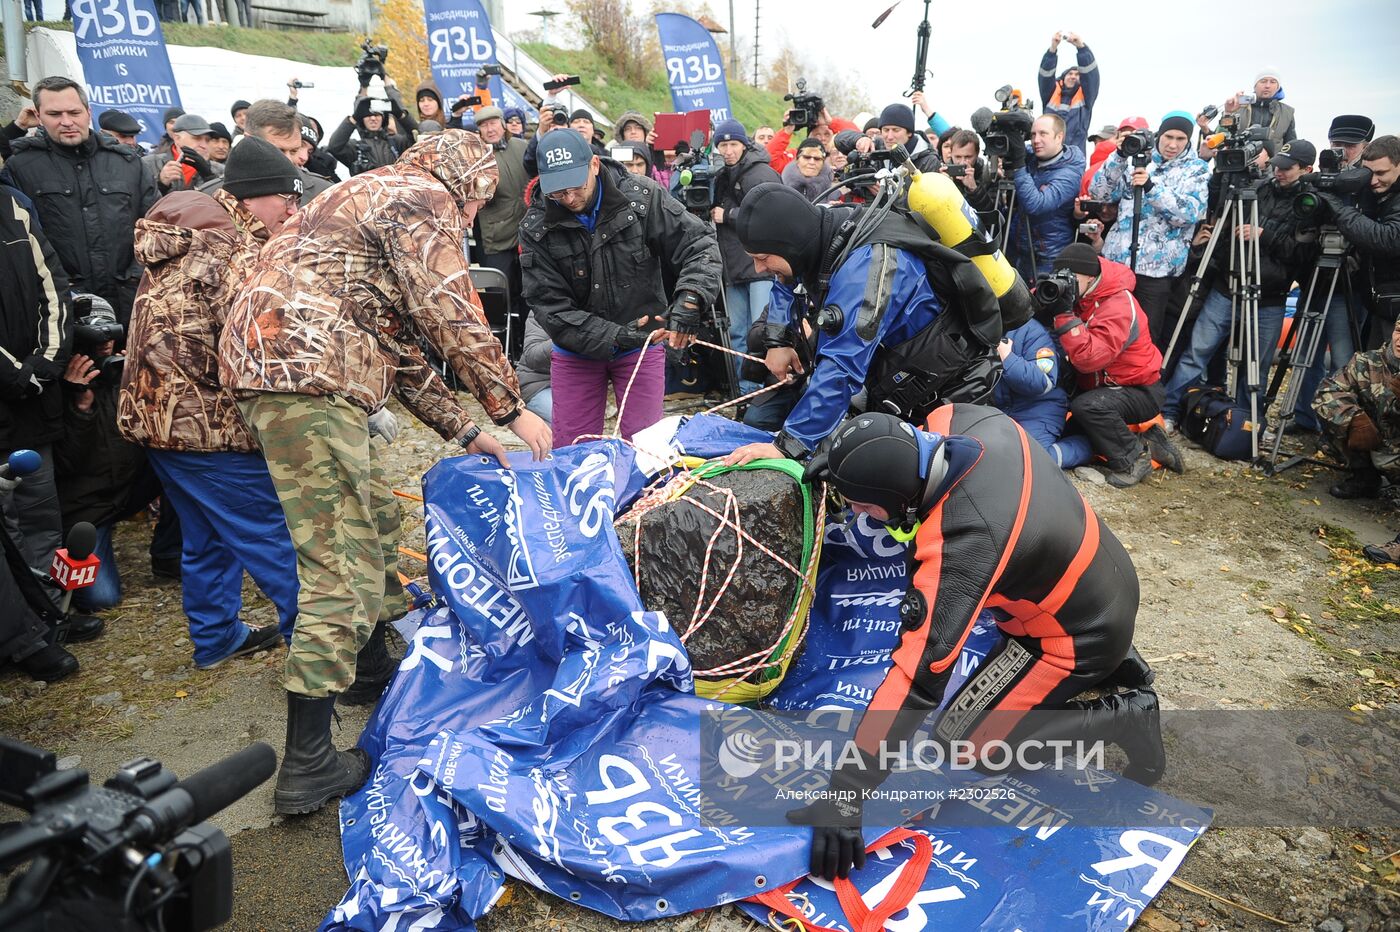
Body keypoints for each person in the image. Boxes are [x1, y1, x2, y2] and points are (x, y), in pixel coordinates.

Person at [219, 132, 550, 815]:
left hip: (291, 372)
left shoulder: (360, 198)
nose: (467, 224)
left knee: (371, 511)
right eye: (476, 207)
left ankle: (370, 666)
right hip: (307, 378)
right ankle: (308, 762)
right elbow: (451, 308)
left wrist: (467, 430)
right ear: (465, 184)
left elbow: (396, 346)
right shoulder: (418, 196)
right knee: (337, 564)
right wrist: (511, 407)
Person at [791, 407, 1163, 881]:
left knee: (970, 748)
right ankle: (1118, 661)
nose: (862, 519)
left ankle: (1125, 715)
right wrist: (846, 455)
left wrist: (846, 792)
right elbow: (892, 436)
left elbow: (917, 678)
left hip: (1075, 633)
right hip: (1099, 577)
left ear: (896, 493)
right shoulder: (958, 421)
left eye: (866, 508)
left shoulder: (965, 538)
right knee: (955, 728)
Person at [117, 138, 306, 670]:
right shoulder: (232, 252)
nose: (292, 210)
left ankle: (218, 636)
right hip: (206, 427)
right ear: (247, 198)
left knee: (205, 537)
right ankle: (331, 663)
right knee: (278, 539)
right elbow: (262, 347)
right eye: (283, 199)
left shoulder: (187, 236)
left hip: (157, 419)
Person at [721, 182, 1007, 466]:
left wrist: (788, 445)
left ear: (790, 244)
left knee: (942, 485)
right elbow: (785, 280)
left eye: (762, 258)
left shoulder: (866, 270)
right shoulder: (827, 230)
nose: (758, 268)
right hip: (900, 379)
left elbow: (841, 367)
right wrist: (778, 340)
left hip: (954, 389)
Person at [520, 131, 721, 448]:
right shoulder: (536, 226)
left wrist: (690, 300)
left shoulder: (643, 197)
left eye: (576, 186)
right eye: (558, 192)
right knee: (573, 448)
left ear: (595, 165)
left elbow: (700, 245)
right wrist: (614, 335)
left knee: (644, 446)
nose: (569, 198)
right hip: (576, 349)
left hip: (642, 343)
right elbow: (550, 308)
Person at [1161, 140, 1322, 431]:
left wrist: (1264, 234)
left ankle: (1247, 425)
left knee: (1255, 366)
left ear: (1307, 169)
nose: (1279, 172)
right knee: (1197, 352)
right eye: (1277, 166)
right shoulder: (1256, 189)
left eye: (1287, 168)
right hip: (1227, 286)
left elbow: (1303, 254)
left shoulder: (1309, 203)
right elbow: (1223, 229)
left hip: (1270, 296)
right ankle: (1168, 411)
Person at [0, 184, 92, 682]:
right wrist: (12, 371)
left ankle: (53, 612)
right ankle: (21, 637)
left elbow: (52, 286)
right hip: (11, 389)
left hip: (34, 399)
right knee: (6, 529)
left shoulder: (12, 205)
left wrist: (45, 362)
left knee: (41, 513)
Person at [0, 76, 158, 327]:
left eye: (74, 112)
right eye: (54, 114)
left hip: (132, 309)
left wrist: (135, 278)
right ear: (39, 117)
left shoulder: (127, 163)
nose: (66, 122)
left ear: (88, 112)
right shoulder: (21, 168)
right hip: (62, 314)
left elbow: (155, 230)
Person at [1048, 244, 1180, 486]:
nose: (1065, 285)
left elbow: (1089, 360)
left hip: (1140, 389)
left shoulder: (1117, 304)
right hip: (1104, 385)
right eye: (1059, 278)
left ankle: (1134, 460)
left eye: (1070, 279)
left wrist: (1064, 314)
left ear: (1090, 276)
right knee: (1072, 432)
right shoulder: (1085, 294)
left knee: (1087, 408)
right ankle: (1151, 443)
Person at [1089, 112, 1210, 349]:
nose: (1173, 144)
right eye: (1168, 136)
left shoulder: (1197, 170)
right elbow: (1099, 193)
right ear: (1158, 135)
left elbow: (1190, 214)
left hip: (1156, 273)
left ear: (1188, 140)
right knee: (1106, 330)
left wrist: (1151, 188)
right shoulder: (1139, 159)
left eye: (1180, 138)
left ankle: (1140, 385)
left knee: (1143, 338)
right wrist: (1120, 156)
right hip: (1117, 265)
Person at [711, 119, 782, 394]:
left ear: (744, 144)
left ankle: (769, 390)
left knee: (760, 332)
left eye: (733, 144)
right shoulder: (720, 174)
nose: (728, 150)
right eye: (723, 145)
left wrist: (727, 215)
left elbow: (772, 212)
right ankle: (744, 390)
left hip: (759, 266)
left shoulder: (759, 173)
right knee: (738, 332)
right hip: (732, 266)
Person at [1313, 316, 1400, 503]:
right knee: (1333, 419)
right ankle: (1365, 479)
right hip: (1374, 442)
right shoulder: (1367, 362)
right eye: (1399, 331)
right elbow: (1326, 392)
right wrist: (1354, 419)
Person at [992, 318, 1086, 468]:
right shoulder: (979, 325)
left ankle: (1087, 445)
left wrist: (1007, 358)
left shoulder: (1032, 331)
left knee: (1032, 461)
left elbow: (1043, 381)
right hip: (1001, 409)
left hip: (1038, 408)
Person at [474, 107, 530, 357]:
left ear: (503, 124)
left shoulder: (522, 146)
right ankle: (505, 352)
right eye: (484, 125)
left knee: (530, 296)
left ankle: (528, 349)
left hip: (528, 237)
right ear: (479, 131)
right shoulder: (476, 156)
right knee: (501, 300)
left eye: (494, 122)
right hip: (495, 240)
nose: (490, 128)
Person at [200, 100, 332, 205]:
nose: (287, 160)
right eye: (278, 151)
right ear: (248, 140)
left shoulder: (325, 194)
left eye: (293, 151)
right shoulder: (209, 199)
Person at [1008, 113, 1086, 280]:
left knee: (1043, 305)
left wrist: (1019, 165)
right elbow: (1012, 149)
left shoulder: (1070, 172)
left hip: (1049, 259)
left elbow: (1037, 204)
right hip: (1021, 253)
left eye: (1043, 134)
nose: (1036, 140)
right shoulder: (1033, 157)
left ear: (1059, 137)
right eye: (1033, 134)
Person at [1205, 70, 1295, 158]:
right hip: (1237, 161)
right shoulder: (1238, 105)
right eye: (1263, 81)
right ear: (1255, 86)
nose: (1267, 86)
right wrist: (1228, 112)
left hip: (1271, 168)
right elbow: (1221, 135)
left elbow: (1291, 146)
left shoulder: (1287, 112)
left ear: (1278, 87)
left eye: (1273, 82)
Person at [327, 87, 414, 176]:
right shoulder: (355, 148)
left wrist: (401, 115)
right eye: (368, 115)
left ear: (383, 118)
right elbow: (334, 146)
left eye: (377, 115)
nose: (373, 118)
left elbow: (417, 138)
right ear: (361, 118)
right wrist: (353, 119)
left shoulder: (397, 143)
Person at [1037, 31, 1101, 153]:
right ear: (1063, 77)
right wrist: (1053, 49)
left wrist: (1081, 47)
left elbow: (1091, 75)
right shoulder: (1051, 93)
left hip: (1073, 157)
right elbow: (1044, 75)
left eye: (1077, 75)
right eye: (1070, 73)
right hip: (1047, 155)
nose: (1073, 76)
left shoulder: (1086, 97)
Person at [144, 113, 219, 195]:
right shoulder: (149, 164)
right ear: (177, 138)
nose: (204, 145)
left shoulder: (221, 170)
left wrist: (209, 177)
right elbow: (138, 204)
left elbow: (228, 204)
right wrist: (161, 184)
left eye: (207, 140)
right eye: (197, 138)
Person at [515, 313, 554, 423]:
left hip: (576, 387)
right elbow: (532, 355)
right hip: (538, 384)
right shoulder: (542, 306)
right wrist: (565, 338)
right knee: (566, 420)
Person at [782, 136, 836, 202]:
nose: (812, 162)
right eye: (806, 157)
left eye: (817, 159)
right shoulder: (782, 187)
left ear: (823, 163)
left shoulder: (834, 189)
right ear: (797, 160)